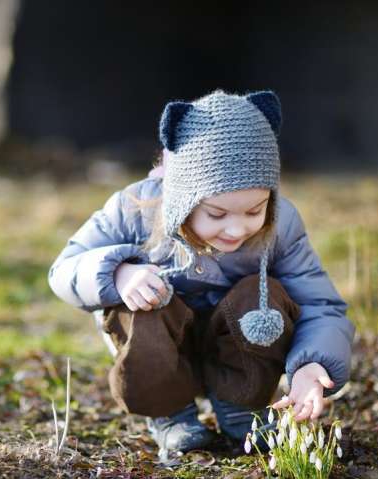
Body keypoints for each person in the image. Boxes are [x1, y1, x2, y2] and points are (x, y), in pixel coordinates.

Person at [48, 89, 355, 459]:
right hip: (161, 350)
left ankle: (241, 405)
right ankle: (170, 414)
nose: (237, 229)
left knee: (266, 294)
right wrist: (119, 275)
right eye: (217, 214)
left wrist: (312, 364)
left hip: (238, 350)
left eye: (254, 210)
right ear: (182, 198)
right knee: (144, 298)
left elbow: (319, 303)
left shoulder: (281, 224)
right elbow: (64, 269)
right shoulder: (134, 210)